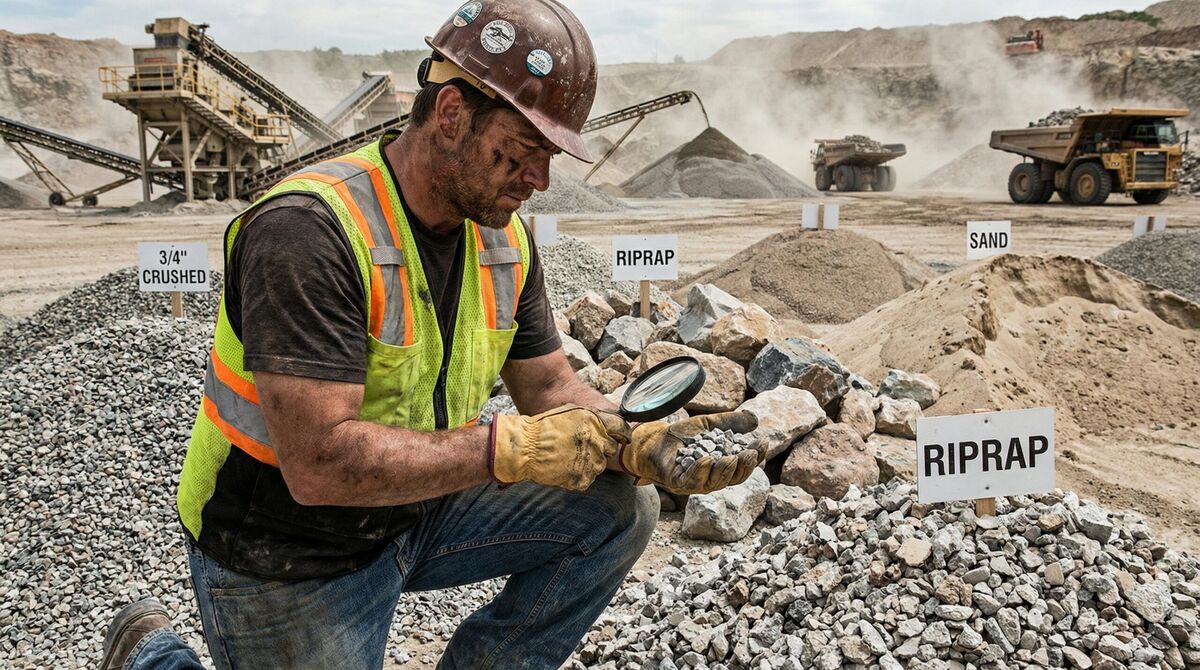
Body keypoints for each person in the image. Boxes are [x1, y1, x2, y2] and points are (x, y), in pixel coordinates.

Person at [100, 1, 763, 668]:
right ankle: (151, 657)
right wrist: (506, 449)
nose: (541, 180)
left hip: (414, 507)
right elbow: (318, 463)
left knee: (620, 507)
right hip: (287, 546)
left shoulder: (502, 240)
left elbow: (551, 388)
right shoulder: (307, 233)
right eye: (524, 150)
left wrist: (636, 438)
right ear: (450, 115)